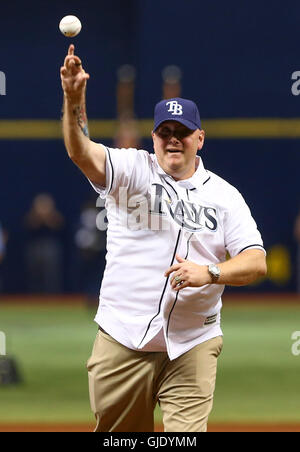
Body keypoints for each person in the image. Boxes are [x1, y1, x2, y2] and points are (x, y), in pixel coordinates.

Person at [60, 44, 267, 432]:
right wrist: (75, 99)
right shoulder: (131, 170)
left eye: (183, 132)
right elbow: (80, 150)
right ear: (153, 138)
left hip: (193, 342)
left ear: (199, 138)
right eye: (165, 132)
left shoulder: (224, 196)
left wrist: (211, 271)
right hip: (123, 339)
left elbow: (256, 260)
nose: (174, 140)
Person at [24, 193, 65, 293]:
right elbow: (28, 225)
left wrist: (48, 217)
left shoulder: (54, 216)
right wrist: (39, 217)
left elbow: (59, 226)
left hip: (50, 246)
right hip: (35, 246)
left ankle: (52, 295)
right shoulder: (33, 215)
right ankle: (34, 295)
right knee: (35, 273)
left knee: (52, 274)